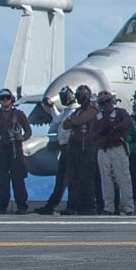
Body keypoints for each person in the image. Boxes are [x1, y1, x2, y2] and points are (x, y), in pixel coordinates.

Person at [0, 88, 32, 215]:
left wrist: (21, 137)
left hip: (15, 150)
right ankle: (2, 206)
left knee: (18, 179)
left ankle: (22, 206)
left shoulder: (19, 114)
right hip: (0, 150)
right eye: (2, 98)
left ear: (11, 100)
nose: (5, 100)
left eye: (7, 98)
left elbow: (28, 130)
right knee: (2, 180)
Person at [58, 85, 100, 215]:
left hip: (87, 148)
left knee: (86, 178)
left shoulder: (92, 110)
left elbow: (78, 121)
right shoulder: (77, 111)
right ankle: (73, 206)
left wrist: (74, 122)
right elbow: (66, 124)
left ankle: (88, 206)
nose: (80, 99)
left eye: (82, 96)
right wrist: (74, 121)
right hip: (75, 148)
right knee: (73, 179)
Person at [35, 86, 77, 214]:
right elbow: (57, 119)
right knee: (62, 178)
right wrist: (51, 106)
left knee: (70, 178)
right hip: (64, 147)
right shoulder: (67, 111)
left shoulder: (74, 111)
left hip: (71, 148)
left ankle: (71, 205)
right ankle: (53, 205)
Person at [92, 90, 133, 215]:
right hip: (103, 149)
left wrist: (115, 128)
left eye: (107, 101)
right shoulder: (97, 117)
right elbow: (92, 134)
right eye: (103, 102)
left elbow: (127, 122)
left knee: (123, 178)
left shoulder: (121, 113)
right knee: (106, 179)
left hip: (118, 148)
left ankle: (128, 207)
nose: (106, 104)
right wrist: (101, 133)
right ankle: (109, 207)